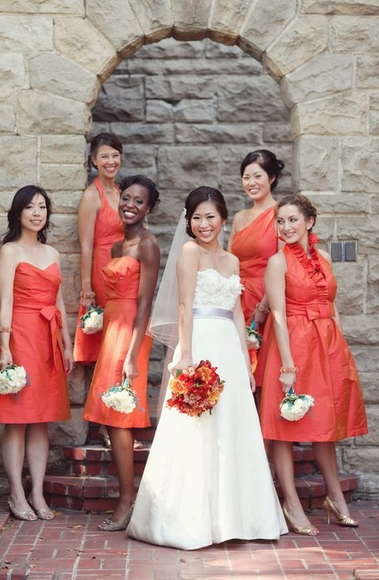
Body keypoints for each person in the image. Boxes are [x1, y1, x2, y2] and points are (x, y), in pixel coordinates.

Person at [127, 187, 287, 550]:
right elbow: (184, 304)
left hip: (228, 349)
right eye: (196, 217)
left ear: (223, 219)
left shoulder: (232, 261)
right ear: (190, 221)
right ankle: (193, 521)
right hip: (198, 344)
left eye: (210, 216)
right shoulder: (188, 252)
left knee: (232, 429)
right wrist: (186, 356)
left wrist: (246, 363)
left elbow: (235, 311)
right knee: (196, 430)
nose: (203, 224)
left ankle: (237, 518)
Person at [257, 194, 368, 536]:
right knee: (284, 428)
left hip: (326, 344)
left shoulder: (321, 256)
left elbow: (331, 304)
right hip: (293, 344)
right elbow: (276, 314)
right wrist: (287, 364)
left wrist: (341, 346)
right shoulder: (277, 262)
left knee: (325, 424)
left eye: (293, 220)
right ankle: (290, 502)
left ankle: (335, 497)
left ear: (310, 222)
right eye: (281, 221)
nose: (286, 227)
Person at [0, 185, 73, 521]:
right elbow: (5, 302)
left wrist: (67, 342)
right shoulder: (9, 251)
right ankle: (16, 495)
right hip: (19, 337)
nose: (37, 213)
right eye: (30, 207)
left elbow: (59, 302)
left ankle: (37, 493)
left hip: (48, 339)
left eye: (43, 207)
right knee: (17, 419)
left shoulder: (53, 254)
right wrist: (5, 347)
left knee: (41, 419)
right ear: (18, 212)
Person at [82, 174, 160, 531]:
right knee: (111, 415)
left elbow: (145, 303)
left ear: (149, 208)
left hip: (131, 331)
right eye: (126, 198)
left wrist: (131, 354)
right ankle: (126, 494)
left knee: (121, 416)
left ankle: (128, 499)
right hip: (111, 327)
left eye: (138, 201)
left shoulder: (147, 245)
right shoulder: (115, 248)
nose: (130, 205)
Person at [228, 149, 284, 376]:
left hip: (268, 297)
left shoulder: (282, 213)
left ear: (271, 178)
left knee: (264, 365)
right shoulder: (239, 217)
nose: (251, 182)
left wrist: (264, 306)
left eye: (257, 176)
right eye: (246, 177)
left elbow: (284, 265)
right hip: (238, 296)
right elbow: (229, 258)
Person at [73, 132, 124, 364]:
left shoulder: (123, 194)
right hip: (103, 269)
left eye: (115, 155)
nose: (111, 161)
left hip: (126, 271)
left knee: (123, 333)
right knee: (108, 332)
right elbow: (85, 245)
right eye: (104, 156)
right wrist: (86, 289)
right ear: (94, 160)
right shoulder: (92, 196)